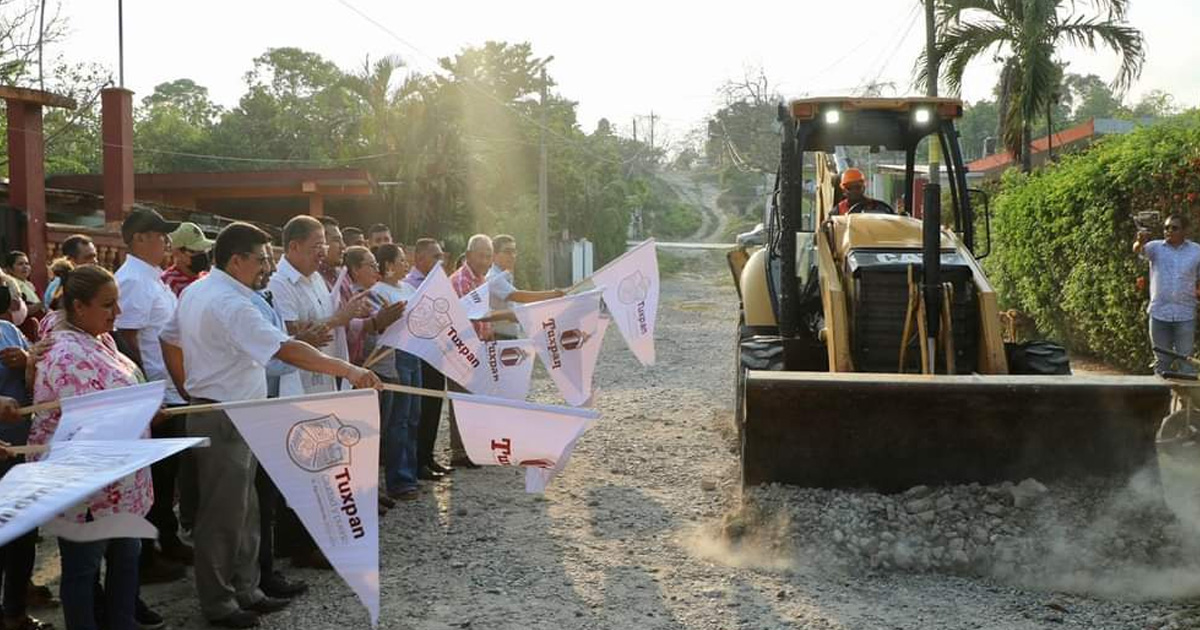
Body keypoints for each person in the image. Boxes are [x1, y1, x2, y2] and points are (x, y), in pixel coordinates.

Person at [167, 222, 380, 629]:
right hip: (223, 413)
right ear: (236, 260)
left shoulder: (203, 290)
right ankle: (219, 601)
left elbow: (171, 338)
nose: (266, 267)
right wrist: (348, 370)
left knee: (245, 508)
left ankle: (246, 589)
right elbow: (285, 348)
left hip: (240, 410)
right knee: (222, 513)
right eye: (261, 259)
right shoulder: (228, 303)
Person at [30, 265, 150, 630]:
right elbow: (88, 422)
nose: (118, 313)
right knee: (83, 571)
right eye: (108, 305)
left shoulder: (101, 338)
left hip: (121, 481)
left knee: (126, 561)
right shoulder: (65, 354)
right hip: (88, 487)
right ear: (79, 307)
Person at [111, 208, 193, 586]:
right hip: (155, 396)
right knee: (154, 481)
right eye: (160, 235)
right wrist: (144, 396)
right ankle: (147, 557)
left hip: (171, 391)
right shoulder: (132, 281)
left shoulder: (152, 278)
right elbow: (125, 341)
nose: (166, 242)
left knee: (166, 477)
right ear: (139, 238)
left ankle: (167, 539)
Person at [267, 216, 370, 396]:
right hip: (297, 383)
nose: (322, 253)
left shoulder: (316, 278)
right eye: (316, 246)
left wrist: (351, 312)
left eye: (324, 246)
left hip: (325, 377)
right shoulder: (279, 283)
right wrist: (339, 319)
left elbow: (327, 319)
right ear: (294, 247)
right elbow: (290, 332)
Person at [0, 289, 52, 630]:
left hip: (17, 450)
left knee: (21, 533)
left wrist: (30, 359)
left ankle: (15, 609)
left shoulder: (7, 330)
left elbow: (32, 386)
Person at [364, 244, 422, 500]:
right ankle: (398, 480)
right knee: (397, 420)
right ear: (388, 265)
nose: (405, 264)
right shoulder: (377, 292)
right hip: (394, 356)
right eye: (400, 260)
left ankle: (411, 471)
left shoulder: (408, 288)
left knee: (412, 416)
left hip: (415, 354)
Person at [404, 239, 452, 480]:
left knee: (434, 408)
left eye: (441, 257)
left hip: (437, 354)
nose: (439, 261)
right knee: (419, 412)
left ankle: (428, 456)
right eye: (435, 257)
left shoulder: (439, 284)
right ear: (419, 259)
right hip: (419, 356)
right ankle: (416, 462)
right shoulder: (409, 285)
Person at [446, 235, 494, 468]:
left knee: (475, 398)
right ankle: (460, 451)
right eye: (481, 255)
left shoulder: (481, 279)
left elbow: (484, 313)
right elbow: (465, 317)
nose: (485, 260)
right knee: (462, 399)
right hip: (461, 349)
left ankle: (472, 446)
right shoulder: (460, 281)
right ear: (468, 255)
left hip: (478, 346)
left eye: (488, 256)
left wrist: (489, 335)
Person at [1134, 213, 1200, 374]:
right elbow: (1138, 250)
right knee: (1161, 361)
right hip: (1159, 314)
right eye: (1166, 227)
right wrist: (1140, 240)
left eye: (1174, 228)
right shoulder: (1155, 248)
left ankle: (1186, 399)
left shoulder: (1196, 251)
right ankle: (1162, 398)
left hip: (1185, 314)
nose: (1169, 231)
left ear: (1185, 231)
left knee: (1186, 361)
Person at [487, 235, 565, 340]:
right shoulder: (494, 278)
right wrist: (552, 294)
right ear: (494, 255)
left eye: (514, 251)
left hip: (509, 336)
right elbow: (520, 296)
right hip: (500, 338)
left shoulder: (505, 275)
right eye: (507, 251)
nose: (512, 256)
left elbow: (517, 303)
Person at [161, 222, 215, 297]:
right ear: (177, 253)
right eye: (194, 251)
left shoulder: (208, 278)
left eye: (204, 249)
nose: (202, 255)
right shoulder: (169, 282)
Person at [43, 235, 97, 307]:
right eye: (88, 257)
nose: (95, 262)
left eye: (95, 256)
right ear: (70, 260)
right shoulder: (62, 285)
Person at [4, 251, 43, 320]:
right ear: (10, 269)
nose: (25, 267)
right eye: (20, 264)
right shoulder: (10, 285)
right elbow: (19, 311)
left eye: (27, 264)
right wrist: (41, 305)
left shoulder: (30, 285)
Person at [317, 217, 345, 291]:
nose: (343, 246)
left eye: (342, 240)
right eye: (336, 240)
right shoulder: (311, 278)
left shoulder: (343, 274)